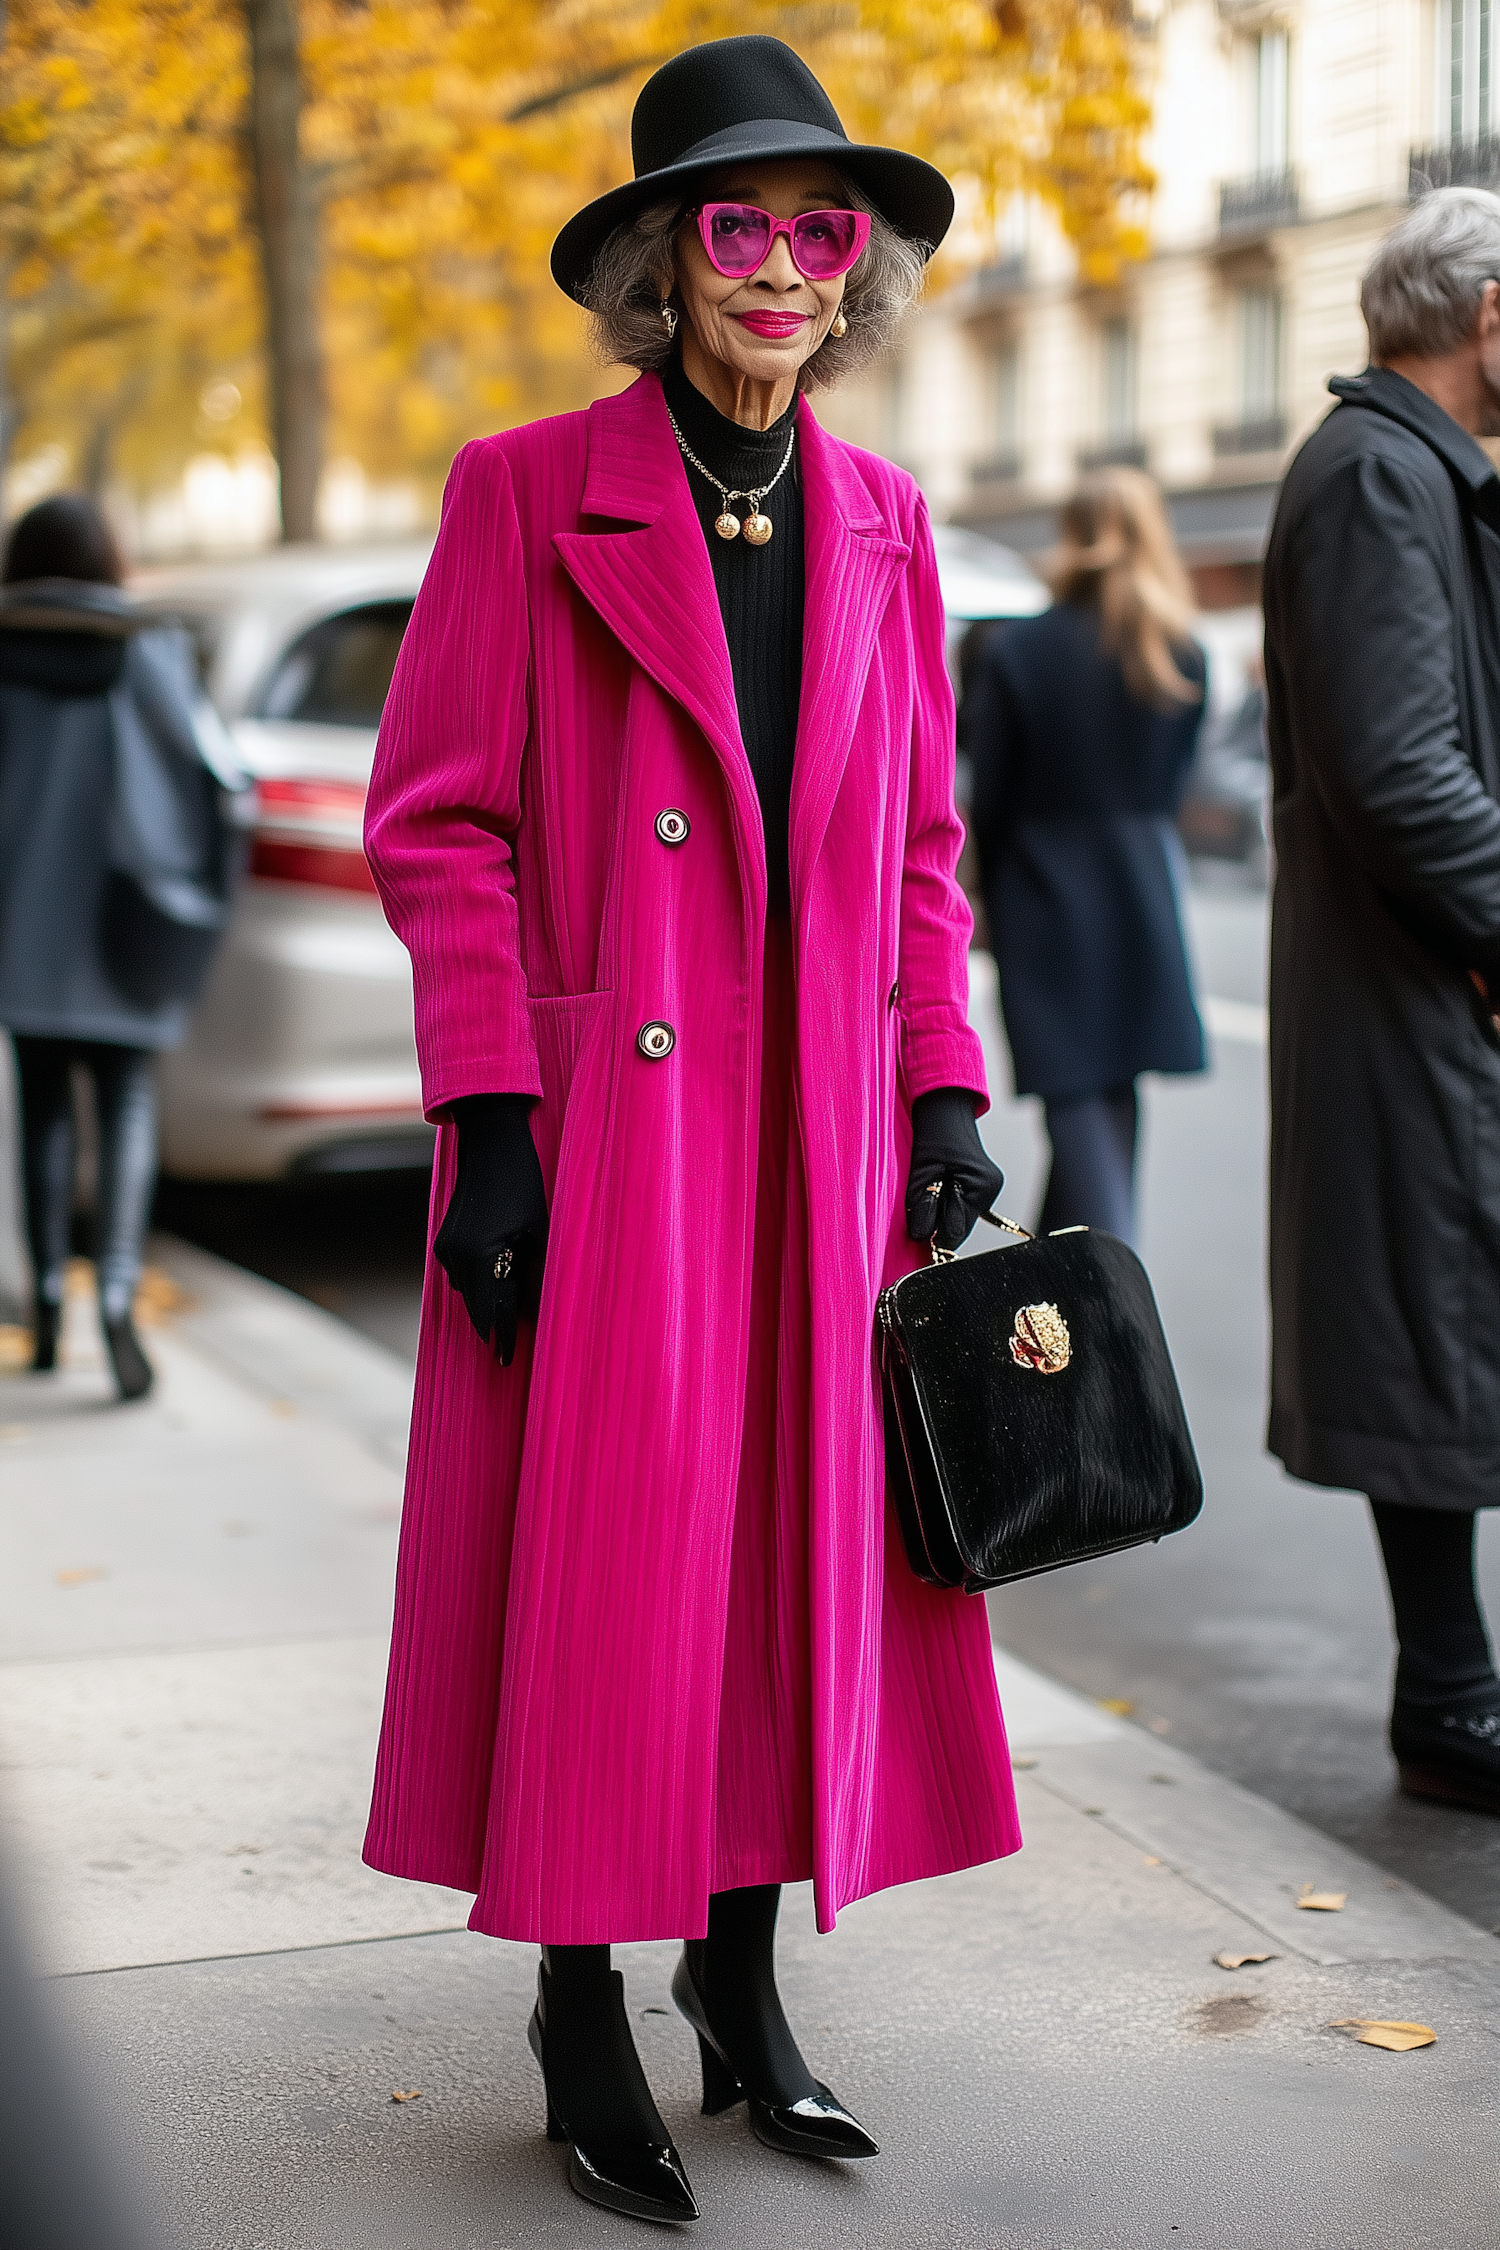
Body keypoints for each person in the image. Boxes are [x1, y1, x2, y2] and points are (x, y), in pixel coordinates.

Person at [360, 34, 1019, 2229]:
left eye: (820, 230)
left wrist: (941, 1087)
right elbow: (440, 826)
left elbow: (921, 840)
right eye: (734, 225)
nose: (780, 266)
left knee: (786, 1562)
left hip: (818, 1140)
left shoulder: (888, 524)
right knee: (620, 1578)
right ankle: (578, 2000)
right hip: (615, 1144)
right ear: (662, 259)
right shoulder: (524, 492)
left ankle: (739, 1986)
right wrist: (491, 1109)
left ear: (856, 277)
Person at [1263, 186, 1500, 1820]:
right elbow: (1405, 778)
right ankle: (1454, 1701)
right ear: (1492, 319)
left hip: (1442, 1001)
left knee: (1448, 1330)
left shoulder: (1417, 474)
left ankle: (1456, 1695)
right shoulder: (1374, 479)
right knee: (1434, 1332)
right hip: (1426, 1004)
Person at [0, 496, 244, 1401]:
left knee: (42, 1116)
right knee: (128, 1104)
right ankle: (113, 1293)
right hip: (124, 915)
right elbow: (206, 771)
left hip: (22, 924)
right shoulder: (150, 648)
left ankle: (48, 1312)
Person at [964, 470, 1208, 1244]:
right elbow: (1171, 791)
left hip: (1043, 896)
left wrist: (984, 900)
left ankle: (1110, 1324)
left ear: (1071, 533)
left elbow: (989, 795)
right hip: (1141, 892)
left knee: (1076, 1112)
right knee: (1110, 1107)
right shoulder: (1179, 654)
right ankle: (1065, 1319)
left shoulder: (1018, 650)